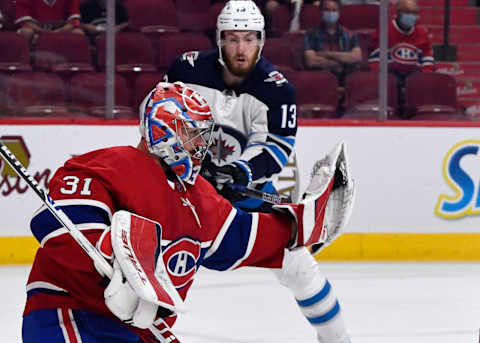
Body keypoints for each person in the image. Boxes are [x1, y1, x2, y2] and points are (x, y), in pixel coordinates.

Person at [21, 81, 354, 343]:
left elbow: (240, 238)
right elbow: (56, 224)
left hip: (138, 330)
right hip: (70, 314)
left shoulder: (196, 198)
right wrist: (111, 261)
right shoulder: (109, 166)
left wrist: (302, 224)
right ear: (163, 127)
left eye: (202, 136)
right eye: (192, 132)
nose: (201, 145)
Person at [163, 1, 352, 342]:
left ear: (261, 40)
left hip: (240, 197)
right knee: (149, 255)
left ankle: (338, 340)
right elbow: (163, 119)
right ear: (219, 38)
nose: (240, 48)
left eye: (248, 39)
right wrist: (186, 158)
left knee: (299, 265)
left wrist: (239, 172)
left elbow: (275, 149)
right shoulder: (185, 69)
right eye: (233, 38)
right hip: (182, 190)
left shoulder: (278, 90)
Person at [367, 0, 434, 116]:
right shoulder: (385, 31)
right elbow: (375, 61)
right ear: (397, 12)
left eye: (414, 13)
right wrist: (379, 77)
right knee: (391, 82)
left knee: (421, 83)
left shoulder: (422, 33)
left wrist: (425, 76)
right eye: (407, 12)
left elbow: (427, 57)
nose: (411, 16)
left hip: (413, 74)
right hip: (391, 74)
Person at [303, 0, 362, 84]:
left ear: (339, 12)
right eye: (327, 10)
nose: (330, 13)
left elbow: (356, 58)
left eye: (334, 10)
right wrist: (337, 64)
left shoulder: (350, 34)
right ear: (321, 12)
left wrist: (324, 54)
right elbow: (311, 61)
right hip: (320, 80)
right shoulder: (311, 34)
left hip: (345, 80)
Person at [15, 0, 84, 41]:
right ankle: (26, 61)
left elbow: (74, 21)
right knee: (26, 32)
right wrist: (44, 32)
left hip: (61, 29)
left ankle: (73, 64)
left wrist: (59, 31)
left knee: (78, 33)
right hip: (35, 29)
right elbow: (25, 22)